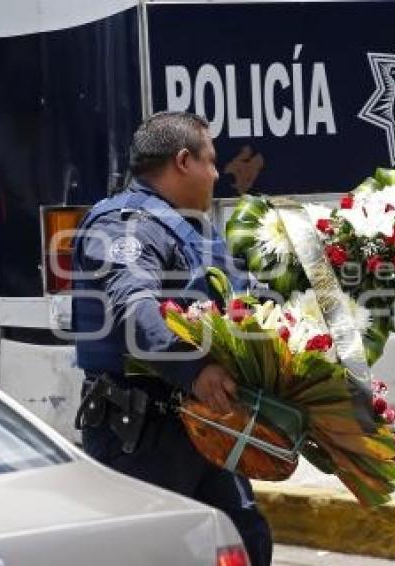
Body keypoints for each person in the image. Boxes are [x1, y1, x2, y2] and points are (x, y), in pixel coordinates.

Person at [71, 111, 272, 566]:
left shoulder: (193, 229)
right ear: (183, 161)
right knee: (152, 553)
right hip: (143, 436)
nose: (217, 174)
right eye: (211, 161)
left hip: (205, 428)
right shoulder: (123, 225)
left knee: (244, 540)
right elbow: (132, 307)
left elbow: (242, 300)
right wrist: (196, 370)